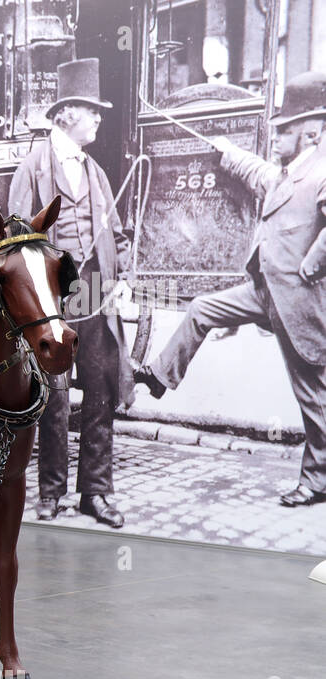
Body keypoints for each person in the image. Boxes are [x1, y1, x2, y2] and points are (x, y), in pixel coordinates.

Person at [135, 72, 326, 507]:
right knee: (202, 309)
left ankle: (317, 481)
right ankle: (163, 375)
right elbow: (262, 176)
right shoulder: (292, 170)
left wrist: (309, 269)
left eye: (284, 130)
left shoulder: (322, 170)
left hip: (296, 301)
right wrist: (227, 153)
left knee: (313, 397)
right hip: (264, 291)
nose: (276, 138)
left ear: (310, 132)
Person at [9, 57, 134, 528]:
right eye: (92, 110)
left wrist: (122, 279)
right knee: (55, 397)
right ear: (66, 115)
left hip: (97, 298)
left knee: (100, 391)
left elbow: (117, 235)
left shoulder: (96, 171)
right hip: (54, 303)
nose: (100, 117)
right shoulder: (34, 168)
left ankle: (96, 494)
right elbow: (18, 241)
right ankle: (51, 492)